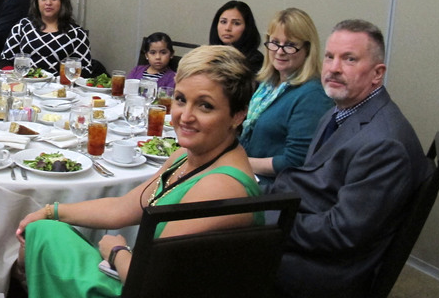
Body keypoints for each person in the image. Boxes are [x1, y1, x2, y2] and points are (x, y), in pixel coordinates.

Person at [14, 45, 260, 297]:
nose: (185, 116)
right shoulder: (184, 156)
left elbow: (150, 281)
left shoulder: (221, 186)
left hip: (138, 287)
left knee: (43, 239)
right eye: (181, 99)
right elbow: (121, 208)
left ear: (237, 116)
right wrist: (50, 211)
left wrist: (116, 252)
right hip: (137, 278)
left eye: (205, 106)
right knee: (44, 228)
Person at [266, 19, 432, 297]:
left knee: (211, 253)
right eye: (330, 56)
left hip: (326, 272)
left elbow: (341, 233)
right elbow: (314, 183)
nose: (334, 68)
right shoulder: (340, 110)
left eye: (349, 59)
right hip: (308, 231)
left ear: (377, 74)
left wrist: (267, 217)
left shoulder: (385, 143)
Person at [239, 8, 333, 184]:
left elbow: (294, 162)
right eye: (275, 42)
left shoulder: (313, 95)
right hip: (249, 176)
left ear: (307, 49)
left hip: (274, 190)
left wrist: (238, 163)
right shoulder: (267, 86)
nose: (279, 51)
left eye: (290, 45)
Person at [1, 0, 92, 76]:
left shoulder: (76, 34)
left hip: (60, 84)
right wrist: (14, 79)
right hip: (24, 82)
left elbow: (86, 69)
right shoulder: (23, 26)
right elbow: (5, 59)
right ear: (37, 2)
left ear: (62, 2)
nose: (48, 3)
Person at [209, 0, 264, 72]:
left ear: (247, 27)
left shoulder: (255, 60)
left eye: (236, 23)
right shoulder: (208, 55)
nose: (227, 28)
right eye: (223, 22)